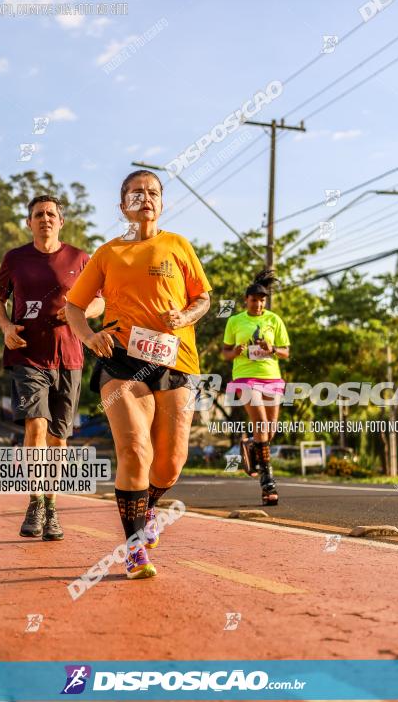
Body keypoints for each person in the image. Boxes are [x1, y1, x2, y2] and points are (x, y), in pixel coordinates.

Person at [65, 170, 211, 580]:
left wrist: (184, 314)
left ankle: (147, 504)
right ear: (122, 204)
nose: (145, 198)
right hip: (121, 361)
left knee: (169, 464)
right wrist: (90, 338)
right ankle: (133, 550)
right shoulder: (108, 253)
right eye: (135, 193)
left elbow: (203, 298)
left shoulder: (179, 246)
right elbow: (75, 307)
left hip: (176, 361)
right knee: (134, 450)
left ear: (162, 203)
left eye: (152, 193)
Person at [0, 195, 104, 542]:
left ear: (61, 221)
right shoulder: (15, 258)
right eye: (38, 214)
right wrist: (7, 328)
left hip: (69, 356)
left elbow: (100, 299)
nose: (45, 219)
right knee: (36, 426)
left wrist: (80, 312)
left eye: (51, 214)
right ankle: (35, 502)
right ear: (29, 222)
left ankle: (52, 507)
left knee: (58, 437)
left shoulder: (80, 258)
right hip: (28, 355)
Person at [222, 270, 290, 506]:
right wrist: (236, 352)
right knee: (261, 423)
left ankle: (251, 444)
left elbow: (286, 352)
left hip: (271, 377)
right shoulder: (235, 321)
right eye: (254, 300)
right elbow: (226, 352)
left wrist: (271, 348)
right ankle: (268, 482)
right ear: (246, 301)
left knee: (268, 432)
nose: (259, 304)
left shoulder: (274, 320)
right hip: (245, 378)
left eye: (262, 300)